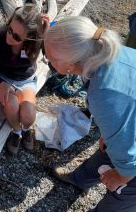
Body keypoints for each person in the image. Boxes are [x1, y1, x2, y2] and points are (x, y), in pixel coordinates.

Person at [44, 16, 136, 212]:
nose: (47, 61)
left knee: (119, 201)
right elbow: (126, 107)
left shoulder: (103, 93)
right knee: (105, 152)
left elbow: (130, 162)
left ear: (69, 64)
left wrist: (121, 177)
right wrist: (112, 132)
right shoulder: (109, 51)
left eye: (50, 59)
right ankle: (79, 180)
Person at [0, 4, 48, 155]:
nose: (10, 36)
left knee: (28, 116)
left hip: (25, 79)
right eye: (10, 29)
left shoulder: (36, 41)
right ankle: (17, 131)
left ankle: (26, 128)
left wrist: (47, 34)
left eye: (17, 37)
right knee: (11, 107)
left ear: (30, 37)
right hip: (2, 77)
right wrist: (1, 84)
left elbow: (51, 54)